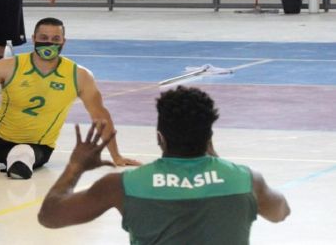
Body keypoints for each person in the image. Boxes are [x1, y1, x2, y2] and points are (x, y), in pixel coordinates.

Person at [38, 86, 290, 244]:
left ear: (160, 137)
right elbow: (281, 212)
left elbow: (50, 217)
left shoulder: (122, 185)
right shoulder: (247, 181)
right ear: (209, 137)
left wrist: (75, 167)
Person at [0, 17, 139, 179]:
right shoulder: (10, 67)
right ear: (33, 39)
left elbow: (101, 117)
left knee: (24, 154)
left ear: (64, 42)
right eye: (44, 37)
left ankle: (19, 162)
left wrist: (116, 155)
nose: (49, 43)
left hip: (38, 145)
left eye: (55, 39)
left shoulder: (79, 76)